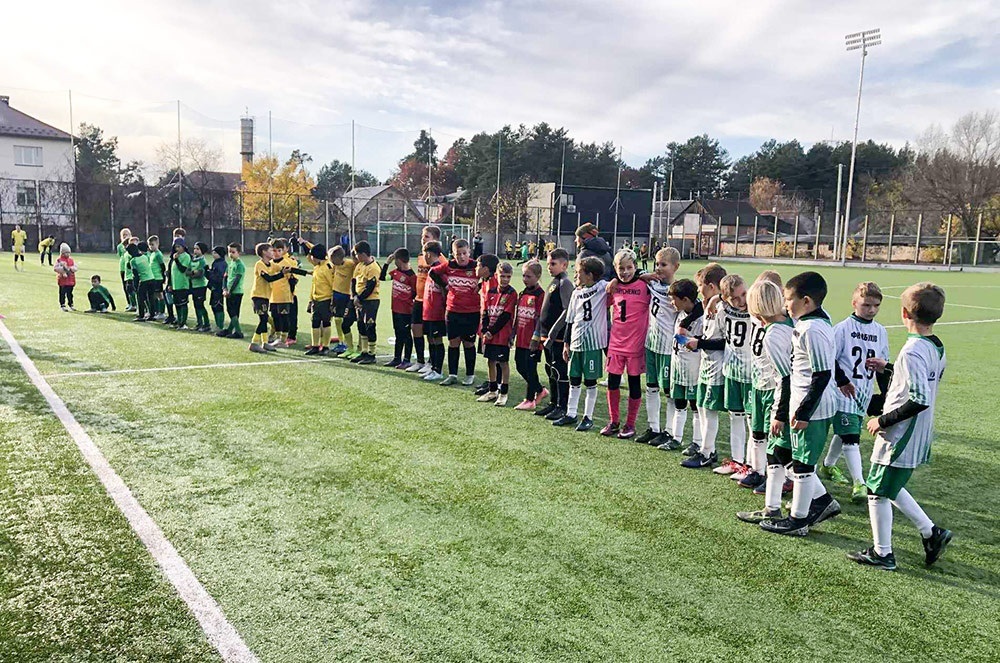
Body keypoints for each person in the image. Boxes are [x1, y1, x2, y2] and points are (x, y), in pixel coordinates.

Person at [847, 282, 952, 571]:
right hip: (917, 431)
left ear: (904, 313)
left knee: (876, 491)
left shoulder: (912, 351)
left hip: (902, 433)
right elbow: (921, 380)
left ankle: (883, 553)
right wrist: (889, 368)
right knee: (889, 485)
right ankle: (931, 532)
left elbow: (919, 399)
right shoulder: (935, 345)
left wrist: (882, 420)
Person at [760, 271, 841, 536]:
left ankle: (798, 520)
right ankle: (820, 503)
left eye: (788, 299)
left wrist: (805, 411)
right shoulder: (810, 323)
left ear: (806, 301)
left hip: (812, 408)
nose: (785, 305)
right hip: (801, 402)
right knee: (793, 457)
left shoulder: (813, 329)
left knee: (804, 464)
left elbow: (822, 374)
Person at [822, 282, 891, 503]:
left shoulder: (880, 331)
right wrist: (841, 381)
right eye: (866, 305)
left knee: (846, 430)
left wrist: (885, 394)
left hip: (864, 392)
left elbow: (883, 366)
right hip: (843, 392)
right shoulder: (842, 329)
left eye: (876, 305)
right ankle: (860, 483)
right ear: (854, 303)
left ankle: (828, 465)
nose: (871, 310)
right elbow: (830, 359)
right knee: (851, 436)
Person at [736, 279, 795, 524]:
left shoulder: (775, 334)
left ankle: (818, 500)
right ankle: (772, 508)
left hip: (778, 394)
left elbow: (786, 377)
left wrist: (779, 413)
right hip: (776, 391)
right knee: (777, 453)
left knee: (784, 454)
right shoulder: (787, 323)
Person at [552, 257, 609, 431]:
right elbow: (570, 320)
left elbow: (616, 283)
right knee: (574, 380)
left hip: (592, 345)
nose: (576, 275)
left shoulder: (602, 288)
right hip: (576, 343)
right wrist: (566, 344)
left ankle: (588, 417)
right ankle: (571, 414)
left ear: (590, 275)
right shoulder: (576, 293)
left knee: (590, 382)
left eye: (579, 272)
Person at [680, 263, 727, 469]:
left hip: (717, 365)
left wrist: (699, 343)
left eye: (700, 286)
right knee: (701, 406)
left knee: (708, 410)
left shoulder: (722, 309)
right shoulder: (709, 305)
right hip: (706, 364)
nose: (698, 290)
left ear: (711, 286)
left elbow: (726, 342)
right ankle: (707, 448)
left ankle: (707, 452)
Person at [740, 270, 784, 491]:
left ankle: (777, 476)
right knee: (756, 430)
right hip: (757, 381)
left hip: (773, 385)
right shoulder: (755, 316)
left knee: (773, 434)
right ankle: (757, 471)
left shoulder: (781, 323)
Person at [602, 249, 651, 439]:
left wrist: (643, 275)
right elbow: (605, 301)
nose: (625, 272)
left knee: (634, 384)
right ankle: (614, 421)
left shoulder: (645, 286)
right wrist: (613, 281)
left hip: (635, 345)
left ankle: (630, 424)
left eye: (629, 267)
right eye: (621, 268)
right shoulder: (613, 287)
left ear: (635, 267)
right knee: (612, 383)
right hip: (616, 343)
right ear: (615, 269)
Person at [636, 247, 680, 447]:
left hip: (667, 348)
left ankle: (670, 431)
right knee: (651, 387)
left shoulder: (677, 290)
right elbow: (635, 274)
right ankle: (653, 427)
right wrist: (646, 275)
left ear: (676, 267)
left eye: (664, 264)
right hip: (651, 344)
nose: (659, 268)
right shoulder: (652, 283)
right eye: (657, 264)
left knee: (669, 391)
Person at [714, 274, 755, 480]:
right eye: (735, 298)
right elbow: (721, 334)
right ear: (725, 298)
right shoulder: (721, 309)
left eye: (743, 294)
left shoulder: (756, 308)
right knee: (735, 417)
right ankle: (737, 461)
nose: (741, 301)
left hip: (752, 374)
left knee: (752, 421)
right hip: (731, 370)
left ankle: (752, 465)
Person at [430, 238, 481, 386]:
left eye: (464, 253)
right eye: (458, 254)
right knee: (453, 343)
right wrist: (445, 285)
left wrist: (480, 285)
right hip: (453, 311)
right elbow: (433, 272)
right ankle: (452, 375)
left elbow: (490, 273)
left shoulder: (476, 266)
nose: (461, 257)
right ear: (453, 254)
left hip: (472, 312)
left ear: (469, 252)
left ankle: (470, 375)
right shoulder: (449, 265)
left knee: (468, 344)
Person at [534, 248, 574, 421]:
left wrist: (553, 332)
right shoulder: (554, 282)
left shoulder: (565, 283)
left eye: (553, 264)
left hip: (557, 336)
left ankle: (562, 406)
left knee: (559, 370)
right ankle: (553, 402)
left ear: (564, 265)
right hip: (546, 335)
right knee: (550, 369)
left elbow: (567, 310)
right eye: (548, 263)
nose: (549, 267)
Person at [665, 279, 703, 453]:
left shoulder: (701, 318)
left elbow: (699, 341)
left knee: (695, 407)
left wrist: (686, 339)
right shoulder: (681, 313)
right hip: (678, 366)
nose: (672, 303)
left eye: (674, 299)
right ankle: (676, 438)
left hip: (693, 369)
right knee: (679, 403)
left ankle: (697, 442)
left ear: (685, 299)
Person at [407, 225, 447, 374]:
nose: (422, 239)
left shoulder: (440, 259)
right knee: (415, 328)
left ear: (435, 239)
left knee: (432, 334)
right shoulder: (421, 256)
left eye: (426, 236)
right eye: (422, 236)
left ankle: (432, 363)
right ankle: (420, 361)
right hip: (419, 298)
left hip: (431, 301)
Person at [478, 262, 517, 406]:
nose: (505, 279)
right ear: (496, 276)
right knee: (490, 361)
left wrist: (491, 331)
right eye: (502, 276)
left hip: (502, 335)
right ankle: (492, 390)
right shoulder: (491, 292)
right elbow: (485, 312)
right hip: (490, 334)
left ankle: (503, 393)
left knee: (503, 363)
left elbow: (505, 316)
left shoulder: (512, 293)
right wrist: (484, 330)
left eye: (508, 276)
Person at [512, 260, 546, 410]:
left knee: (531, 368)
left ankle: (530, 400)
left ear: (538, 277)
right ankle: (540, 389)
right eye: (524, 276)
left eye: (529, 276)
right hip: (521, 338)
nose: (525, 279)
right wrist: (513, 334)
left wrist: (536, 338)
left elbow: (540, 318)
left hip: (533, 340)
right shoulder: (523, 293)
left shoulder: (540, 295)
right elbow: (518, 316)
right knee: (520, 366)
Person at [381, 248, 417, 368]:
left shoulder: (412, 276)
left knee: (406, 334)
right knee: (398, 334)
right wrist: (386, 263)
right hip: (395, 309)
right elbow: (382, 277)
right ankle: (397, 358)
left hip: (406, 311)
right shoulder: (396, 272)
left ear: (399, 260)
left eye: (394, 259)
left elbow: (415, 293)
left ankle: (406, 359)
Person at [419, 241, 448, 381]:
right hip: (428, 311)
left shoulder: (438, 270)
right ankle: (432, 367)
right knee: (431, 339)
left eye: (424, 253)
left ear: (429, 254)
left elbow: (445, 289)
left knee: (437, 340)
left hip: (437, 312)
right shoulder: (432, 269)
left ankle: (438, 370)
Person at [249, 242, 285, 353]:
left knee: (263, 319)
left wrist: (301, 271)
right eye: (271, 250)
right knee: (263, 319)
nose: (273, 253)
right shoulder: (259, 264)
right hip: (258, 296)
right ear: (264, 252)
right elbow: (268, 278)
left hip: (265, 296)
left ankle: (265, 343)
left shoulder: (271, 265)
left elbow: (282, 268)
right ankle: (254, 343)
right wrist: (282, 274)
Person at [473, 253, 501, 395]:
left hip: (492, 324)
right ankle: (492, 380)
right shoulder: (485, 280)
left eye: (478, 266)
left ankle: (498, 382)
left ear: (485, 269)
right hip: (484, 321)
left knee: (494, 356)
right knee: (489, 355)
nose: (475, 268)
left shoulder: (494, 282)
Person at [351, 241, 380, 365]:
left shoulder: (373, 267)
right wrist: (354, 296)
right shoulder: (359, 265)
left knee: (370, 326)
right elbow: (353, 281)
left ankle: (371, 354)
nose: (355, 256)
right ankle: (364, 351)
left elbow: (370, 287)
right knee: (361, 326)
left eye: (356, 254)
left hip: (370, 301)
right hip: (359, 300)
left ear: (363, 254)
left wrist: (359, 298)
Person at [329, 245, 357, 358]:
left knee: (343, 320)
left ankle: (347, 343)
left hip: (346, 295)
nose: (331, 261)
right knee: (337, 319)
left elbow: (359, 266)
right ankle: (341, 342)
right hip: (336, 294)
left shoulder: (350, 265)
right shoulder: (335, 266)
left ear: (339, 258)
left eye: (332, 259)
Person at [305, 243, 334, 356]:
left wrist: (332, 301)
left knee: (326, 323)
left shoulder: (328, 267)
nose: (311, 259)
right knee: (315, 322)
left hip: (326, 299)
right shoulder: (317, 267)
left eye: (312, 256)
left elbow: (332, 284)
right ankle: (315, 346)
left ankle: (326, 346)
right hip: (316, 300)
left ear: (316, 256)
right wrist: (311, 299)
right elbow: (314, 284)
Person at [219, 242, 245, 339]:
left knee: (232, 311)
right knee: (232, 311)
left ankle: (238, 332)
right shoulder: (230, 264)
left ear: (239, 253)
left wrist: (230, 291)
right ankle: (230, 330)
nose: (230, 254)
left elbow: (237, 279)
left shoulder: (240, 265)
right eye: (229, 252)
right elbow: (225, 277)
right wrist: (224, 288)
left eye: (233, 252)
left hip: (236, 292)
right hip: (229, 291)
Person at [127, 242, 157, 322]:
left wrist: (136, 285)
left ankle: (141, 315)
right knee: (151, 298)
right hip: (152, 279)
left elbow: (135, 275)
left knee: (140, 298)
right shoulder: (144, 257)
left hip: (144, 280)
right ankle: (152, 315)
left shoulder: (133, 261)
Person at [169, 241, 193, 330]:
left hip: (183, 284)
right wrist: (170, 284)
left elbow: (183, 269)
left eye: (179, 247)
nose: (177, 249)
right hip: (175, 284)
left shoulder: (186, 256)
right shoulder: (175, 256)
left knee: (183, 304)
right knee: (177, 304)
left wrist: (176, 260)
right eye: (176, 247)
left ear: (183, 247)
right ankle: (179, 321)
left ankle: (183, 322)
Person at [188, 243, 211, 332]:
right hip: (193, 286)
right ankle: (199, 323)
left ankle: (207, 324)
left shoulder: (202, 261)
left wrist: (192, 274)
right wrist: (193, 273)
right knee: (196, 305)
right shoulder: (193, 260)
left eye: (198, 249)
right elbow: (187, 271)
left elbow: (200, 274)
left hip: (201, 286)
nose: (195, 250)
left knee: (200, 305)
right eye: (195, 248)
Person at [207, 246, 228, 332]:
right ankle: (217, 324)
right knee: (214, 306)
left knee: (218, 306)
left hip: (219, 288)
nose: (213, 254)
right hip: (214, 287)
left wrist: (210, 273)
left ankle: (220, 326)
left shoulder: (222, 264)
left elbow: (220, 277)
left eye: (215, 253)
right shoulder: (215, 263)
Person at [147, 236, 167, 321]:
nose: (151, 246)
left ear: (157, 244)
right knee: (154, 295)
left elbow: (162, 266)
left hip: (158, 277)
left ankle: (161, 312)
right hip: (153, 277)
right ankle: (156, 311)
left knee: (159, 294)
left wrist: (163, 277)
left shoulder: (158, 254)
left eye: (152, 244)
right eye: (150, 245)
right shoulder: (152, 254)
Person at [54, 243, 77, 310]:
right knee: (62, 293)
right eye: (66, 253)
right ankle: (62, 305)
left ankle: (71, 304)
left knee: (70, 293)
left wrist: (71, 269)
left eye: (69, 252)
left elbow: (75, 267)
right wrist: (63, 270)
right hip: (62, 281)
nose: (68, 254)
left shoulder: (71, 260)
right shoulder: (59, 260)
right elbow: (56, 268)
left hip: (70, 280)